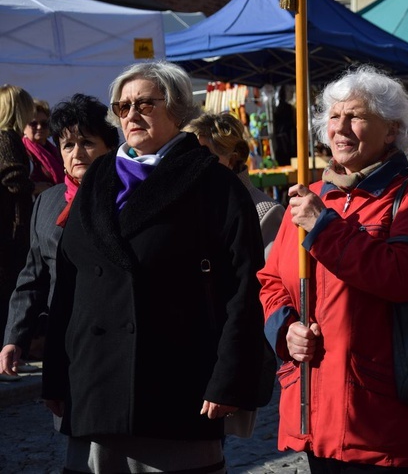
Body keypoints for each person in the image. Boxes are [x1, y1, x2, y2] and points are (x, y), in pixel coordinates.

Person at [41, 61, 267, 473]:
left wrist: (230, 376)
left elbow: (244, 290)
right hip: (94, 382)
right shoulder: (96, 180)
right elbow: (69, 283)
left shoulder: (215, 185)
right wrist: (56, 372)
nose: (130, 115)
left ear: (177, 108)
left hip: (176, 382)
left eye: (145, 103)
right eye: (122, 106)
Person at [258, 66, 408, 473]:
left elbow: (404, 276)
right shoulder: (310, 196)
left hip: (377, 411)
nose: (340, 127)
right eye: (333, 116)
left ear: (392, 130)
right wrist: (285, 329)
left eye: (356, 116)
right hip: (312, 403)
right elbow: (271, 281)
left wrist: (324, 229)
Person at [1, 94, 119, 379]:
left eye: (87, 143)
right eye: (68, 145)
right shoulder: (47, 203)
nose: (77, 153)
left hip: (119, 343)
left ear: (110, 148)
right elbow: (33, 277)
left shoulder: (128, 198)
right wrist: (14, 337)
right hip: (65, 341)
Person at [187, 112, 284, 259]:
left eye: (204, 157)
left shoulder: (265, 212)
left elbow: (269, 278)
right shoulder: (190, 203)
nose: (195, 164)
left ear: (232, 160)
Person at [0, 84, 35, 362]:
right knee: (8, 293)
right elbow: (14, 180)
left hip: (11, 227)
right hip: (10, 229)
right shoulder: (6, 138)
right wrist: (38, 186)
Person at [23, 99, 64, 196]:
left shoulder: (55, 150)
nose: (39, 127)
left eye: (44, 124)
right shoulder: (21, 151)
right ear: (23, 126)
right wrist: (35, 187)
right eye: (33, 124)